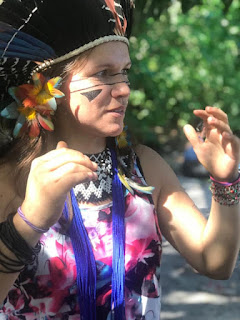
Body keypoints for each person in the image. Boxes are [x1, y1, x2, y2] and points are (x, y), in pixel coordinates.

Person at [0, 1, 239, 319]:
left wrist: (225, 182)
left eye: (124, 72)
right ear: (46, 86)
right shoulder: (10, 177)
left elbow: (215, 262)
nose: (124, 89)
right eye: (104, 73)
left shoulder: (145, 167)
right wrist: (28, 222)